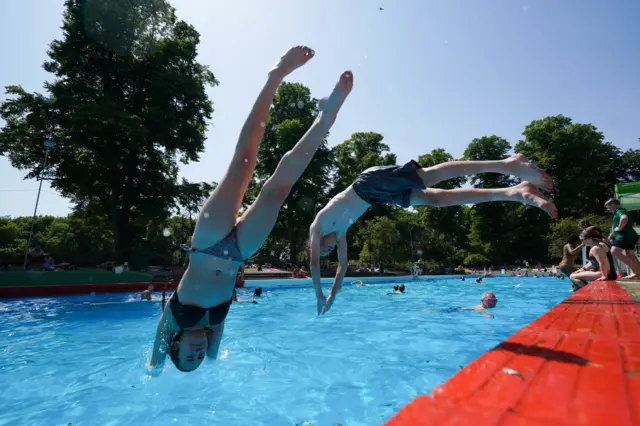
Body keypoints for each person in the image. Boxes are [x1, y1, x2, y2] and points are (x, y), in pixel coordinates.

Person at [149, 46, 354, 373]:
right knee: (278, 190)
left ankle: (276, 75)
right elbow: (216, 362)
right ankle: (326, 115)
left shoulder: (172, 322)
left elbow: (153, 365)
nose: (198, 352)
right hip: (239, 253)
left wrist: (156, 366)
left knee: (244, 163)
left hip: (207, 243)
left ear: (175, 344)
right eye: (198, 358)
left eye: (189, 355)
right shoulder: (213, 334)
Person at [309, 153, 556, 315]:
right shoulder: (339, 232)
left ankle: (508, 165)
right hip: (377, 197)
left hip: (368, 184)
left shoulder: (318, 226)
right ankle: (513, 192)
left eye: (324, 248)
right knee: (437, 200)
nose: (327, 250)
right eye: (327, 251)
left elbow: (314, 264)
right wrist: (330, 296)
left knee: (428, 176)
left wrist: (318, 291)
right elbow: (342, 266)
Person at [605, 198, 640, 279]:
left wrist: (620, 228)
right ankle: (638, 272)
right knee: (630, 254)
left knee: (614, 251)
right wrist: (611, 235)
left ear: (613, 205)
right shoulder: (622, 211)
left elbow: (624, 218)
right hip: (631, 235)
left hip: (624, 236)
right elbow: (617, 227)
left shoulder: (619, 211)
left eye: (608, 207)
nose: (608, 209)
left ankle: (635, 271)